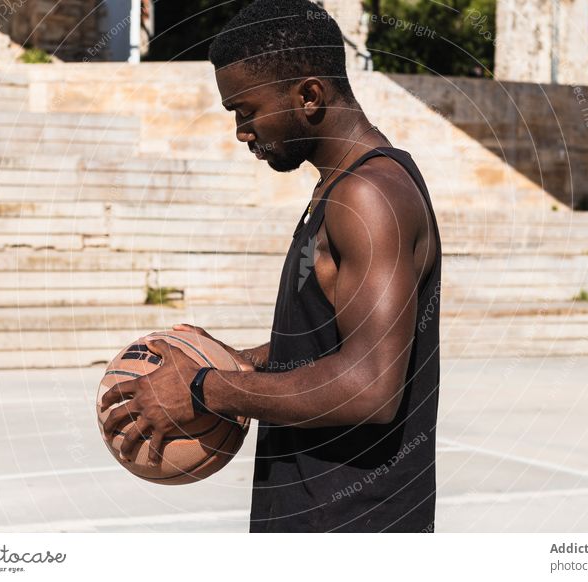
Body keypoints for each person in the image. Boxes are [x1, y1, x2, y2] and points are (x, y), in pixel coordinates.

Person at [100, 0, 441, 533]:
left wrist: (202, 389)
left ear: (308, 95)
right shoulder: (339, 188)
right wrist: (245, 361)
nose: (241, 131)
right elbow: (333, 341)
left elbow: (371, 386)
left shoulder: (372, 196)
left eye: (246, 110)